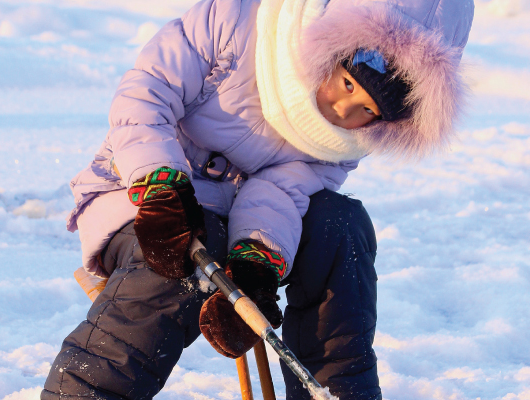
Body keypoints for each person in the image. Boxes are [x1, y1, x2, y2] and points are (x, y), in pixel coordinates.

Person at [41, 0, 474, 398]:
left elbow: (283, 189)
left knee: (340, 224)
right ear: (336, 42)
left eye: (368, 111)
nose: (343, 113)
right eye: (346, 84)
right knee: (190, 257)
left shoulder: (346, 140)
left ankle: (338, 391)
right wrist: (159, 183)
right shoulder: (238, 21)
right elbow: (149, 91)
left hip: (240, 223)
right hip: (142, 198)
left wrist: (256, 263)